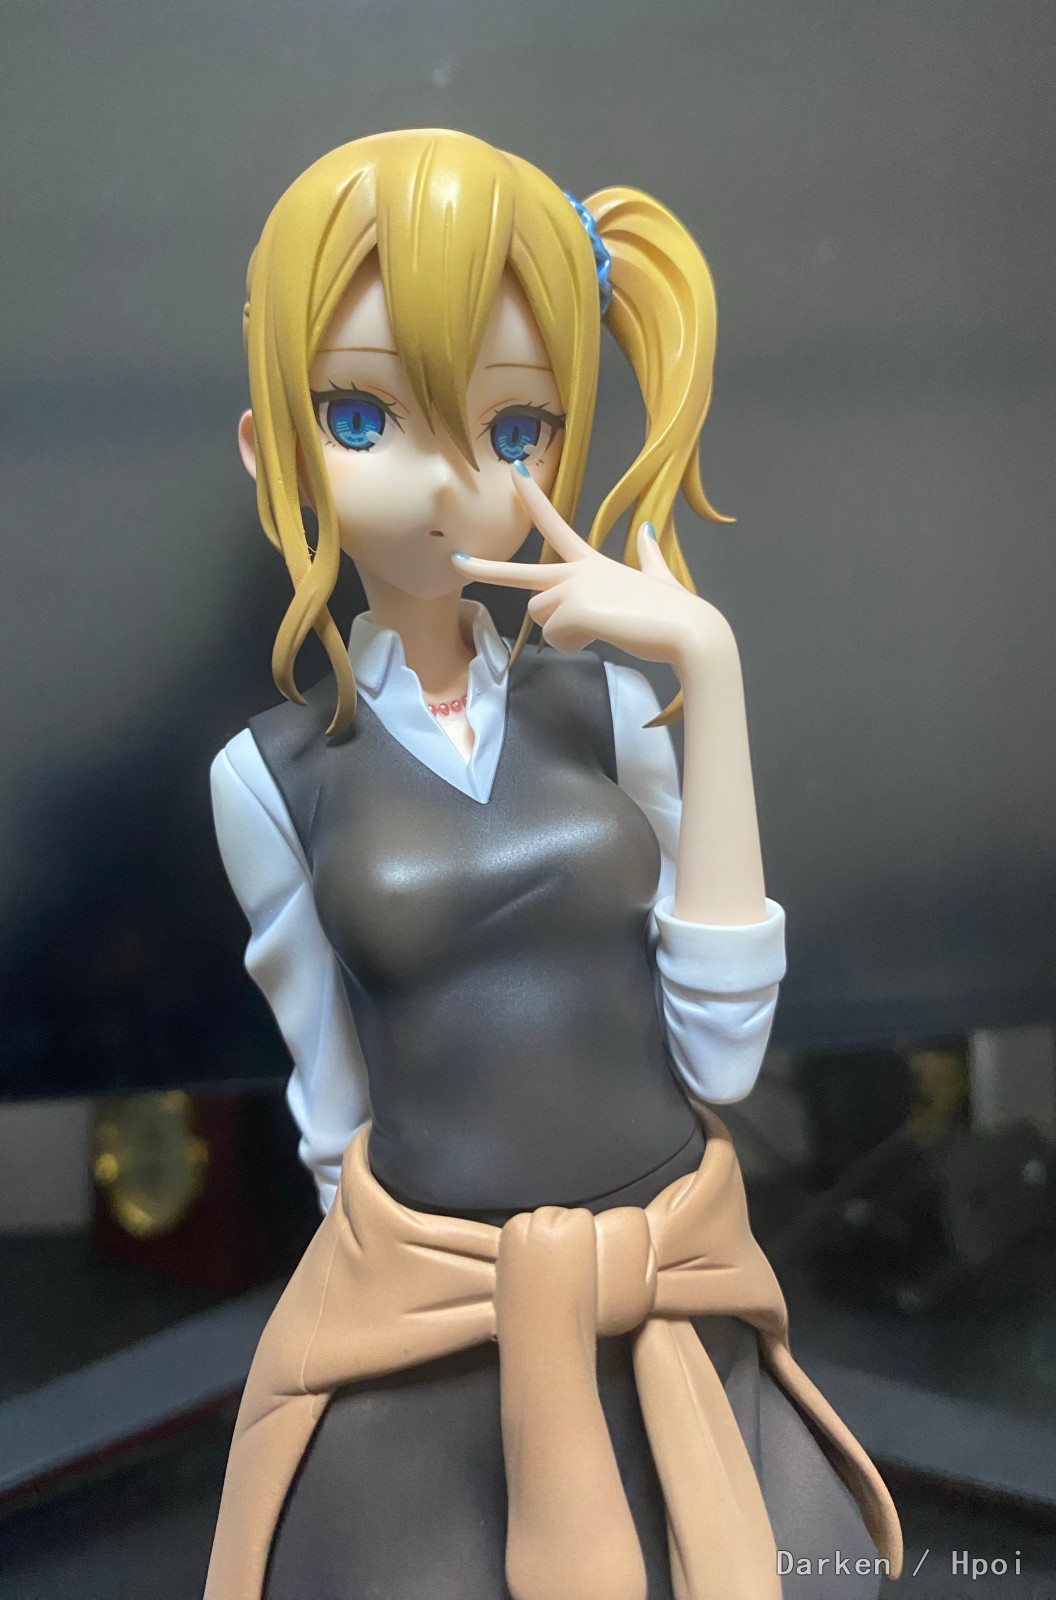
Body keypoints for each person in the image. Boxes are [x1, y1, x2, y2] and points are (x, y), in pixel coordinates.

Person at [204, 129, 902, 1600]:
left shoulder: (613, 707)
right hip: (434, 1329)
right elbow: (332, 1103)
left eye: (510, 429)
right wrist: (376, 1297)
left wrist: (709, 667)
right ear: (273, 448)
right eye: (362, 414)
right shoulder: (270, 777)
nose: (447, 480)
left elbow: (723, 1056)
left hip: (670, 1304)